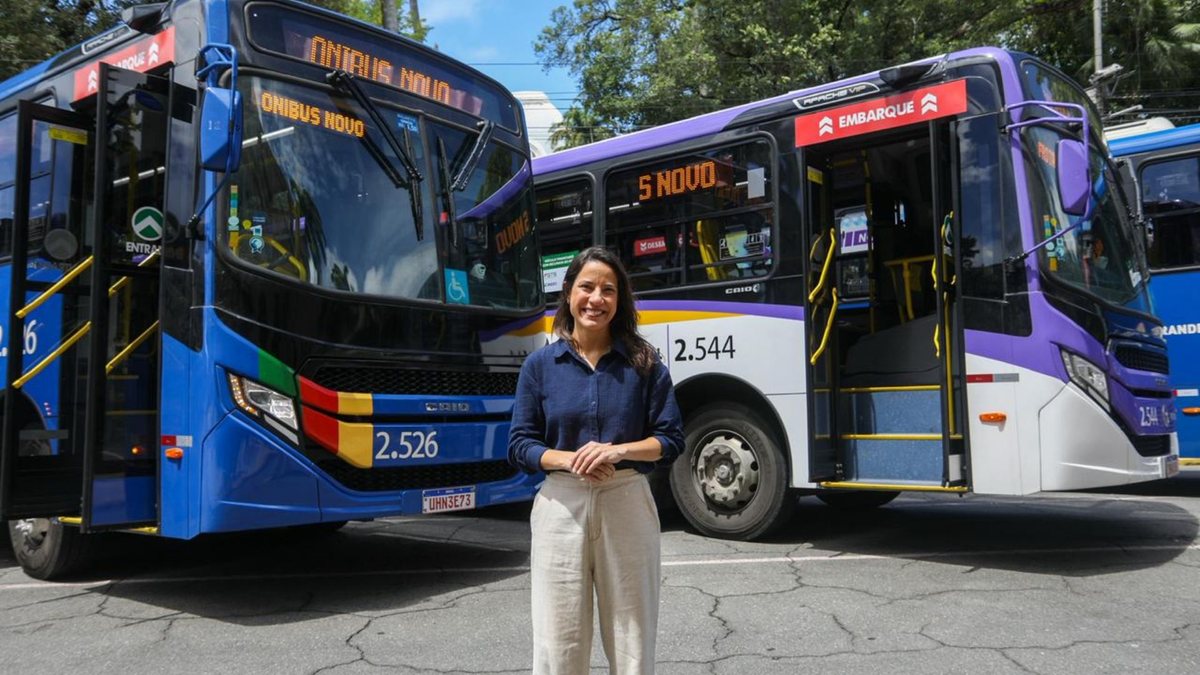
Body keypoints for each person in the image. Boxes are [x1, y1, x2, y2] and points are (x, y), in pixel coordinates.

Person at [508, 245, 684, 675]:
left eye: (609, 289)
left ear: (619, 300)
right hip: (560, 505)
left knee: (632, 636)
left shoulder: (644, 364)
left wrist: (619, 450)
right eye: (587, 287)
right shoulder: (540, 366)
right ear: (569, 293)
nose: (596, 299)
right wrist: (570, 459)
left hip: (626, 499)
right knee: (559, 639)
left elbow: (671, 438)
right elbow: (519, 445)